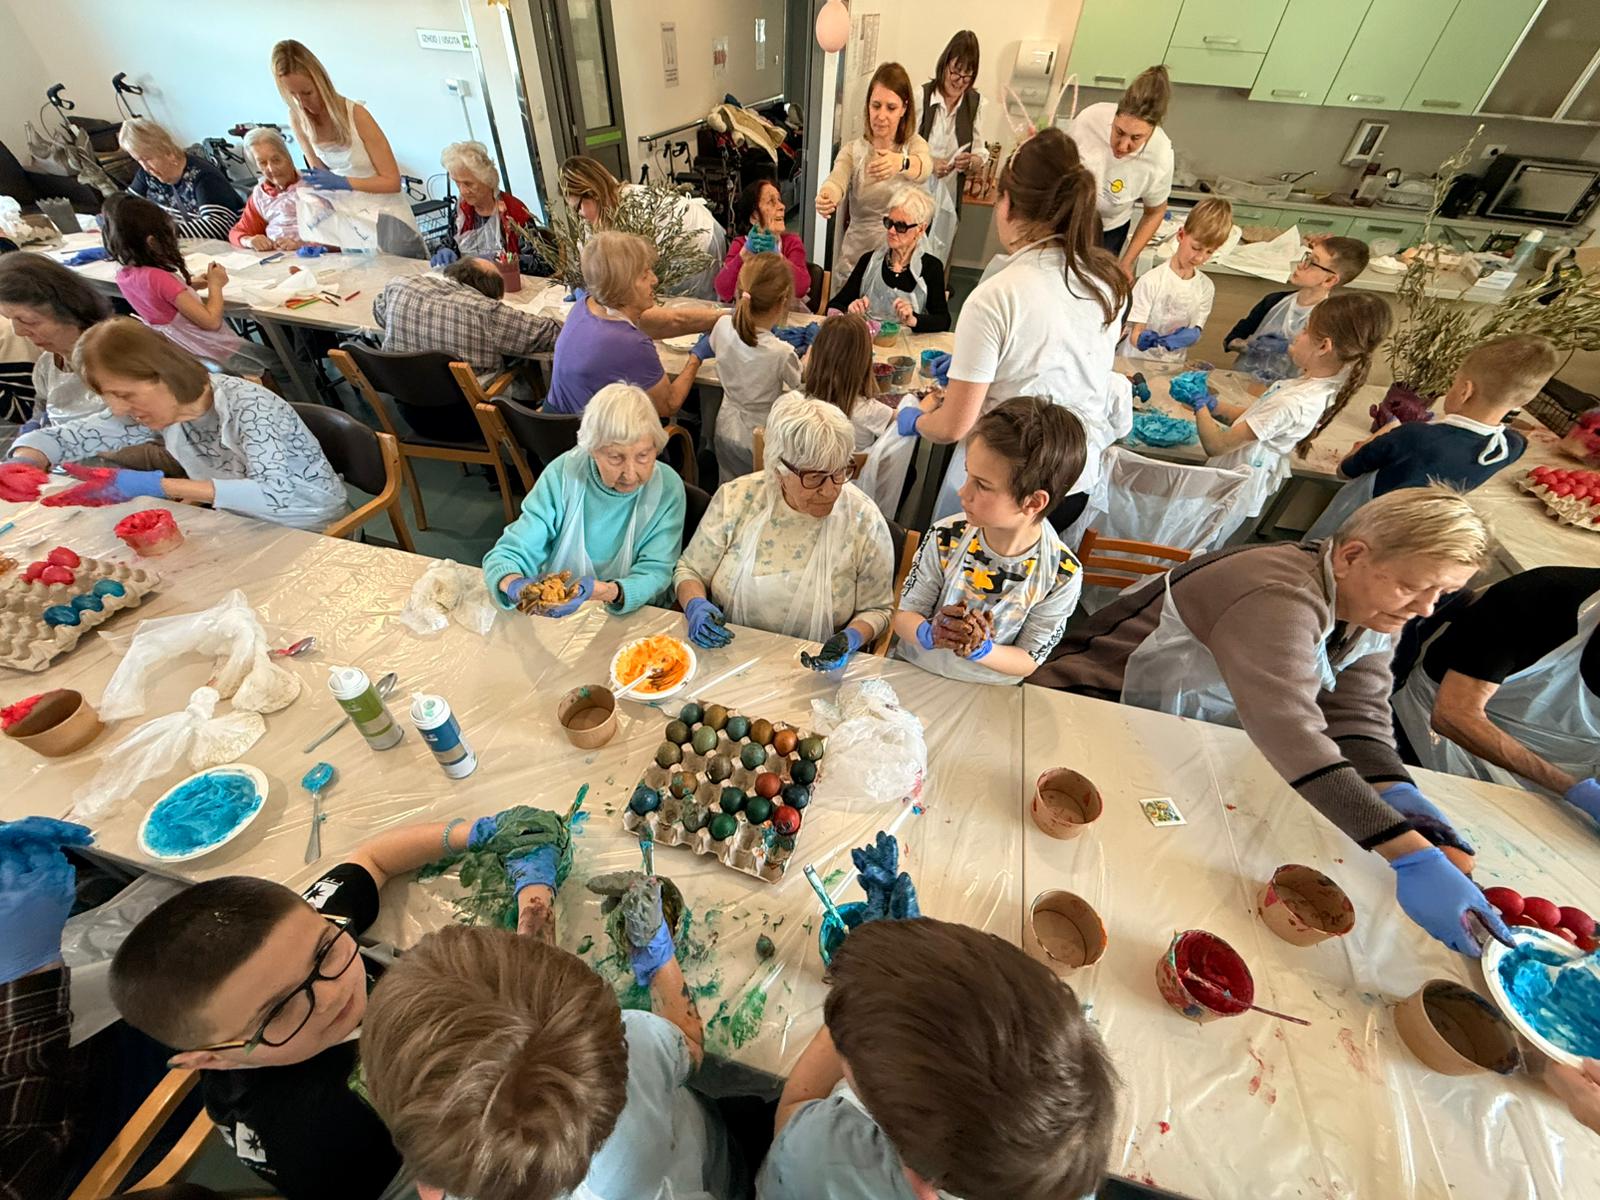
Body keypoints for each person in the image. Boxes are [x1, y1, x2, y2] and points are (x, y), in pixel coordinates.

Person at [1031, 485, 1514, 958]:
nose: (1425, 608)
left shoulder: (1372, 606)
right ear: (1351, 557)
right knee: (1067, 855)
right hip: (1088, 703)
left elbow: (1355, 714)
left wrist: (1397, 790)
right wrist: (1407, 853)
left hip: (1172, 727)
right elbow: (1293, 733)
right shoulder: (1276, 594)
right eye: (1412, 587)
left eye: (1443, 593)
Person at [106, 805, 563, 1200]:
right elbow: (524, 1083)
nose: (331, 995)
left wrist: (478, 833)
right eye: (279, 1009)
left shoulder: (283, 944)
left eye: (325, 951)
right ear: (213, 1059)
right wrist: (536, 941)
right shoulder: (323, 1126)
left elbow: (373, 858)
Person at [361, 915, 735, 1200]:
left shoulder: (457, 1165)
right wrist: (658, 956)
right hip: (711, 1165)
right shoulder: (637, 1043)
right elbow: (689, 1044)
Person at [756, 917, 1117, 1200]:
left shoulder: (824, 1153)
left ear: (920, 1184)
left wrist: (844, 1021)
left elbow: (792, 1114)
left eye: (851, 1056)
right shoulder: (1064, 1176)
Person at [898, 128, 1129, 527]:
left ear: (1006, 203)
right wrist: (977, 370)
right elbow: (1053, 363)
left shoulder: (997, 295)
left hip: (1005, 490)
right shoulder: (1104, 282)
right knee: (1033, 567)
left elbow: (953, 425)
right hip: (1072, 481)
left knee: (972, 566)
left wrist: (915, 422)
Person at [5, 318, 347, 532]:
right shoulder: (162, 410)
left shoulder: (250, 408)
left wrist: (157, 486)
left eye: (124, 394)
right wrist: (26, 460)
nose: (118, 408)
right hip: (243, 520)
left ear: (164, 376)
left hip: (312, 523)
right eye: (109, 396)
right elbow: (68, 438)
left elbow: (276, 495)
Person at [675, 393, 894, 670]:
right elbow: (690, 570)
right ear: (779, 470)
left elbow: (877, 609)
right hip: (727, 654)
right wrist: (695, 604)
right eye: (814, 477)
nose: (831, 491)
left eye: (839, 472)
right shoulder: (737, 499)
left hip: (813, 668)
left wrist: (850, 638)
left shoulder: (863, 520)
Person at [893, 398, 1085, 685]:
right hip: (918, 670)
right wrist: (929, 632)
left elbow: (1028, 659)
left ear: (1033, 502)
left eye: (982, 485)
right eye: (968, 474)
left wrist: (981, 650)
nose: (963, 492)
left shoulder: (1061, 574)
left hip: (990, 688)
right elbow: (903, 616)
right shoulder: (946, 537)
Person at [1392, 565, 1600, 828]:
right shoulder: (1541, 595)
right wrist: (1574, 789)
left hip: (1558, 785)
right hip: (1438, 747)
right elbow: (1454, 715)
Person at [1188, 292, 1391, 542]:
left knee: (1203, 542)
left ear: (1324, 346)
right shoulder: (1312, 385)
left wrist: (1199, 405)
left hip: (1235, 487)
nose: (1296, 336)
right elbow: (1256, 419)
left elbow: (1216, 445)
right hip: (1239, 474)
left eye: (1305, 330)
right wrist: (1215, 406)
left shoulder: (1293, 402)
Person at [483, 383, 687, 618]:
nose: (630, 474)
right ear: (591, 449)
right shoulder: (564, 475)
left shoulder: (667, 488)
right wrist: (515, 584)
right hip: (557, 616)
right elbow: (509, 554)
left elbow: (656, 573)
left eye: (643, 456)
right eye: (615, 457)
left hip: (631, 613)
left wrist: (607, 592)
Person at [1317, 333, 1552, 535]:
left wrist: (1364, 446)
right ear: (1522, 402)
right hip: (1414, 534)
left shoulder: (1413, 436)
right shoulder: (1513, 446)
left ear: (1465, 391)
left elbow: (1345, 470)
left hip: (1362, 524)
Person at [100, 192, 280, 378]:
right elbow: (211, 321)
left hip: (186, 352)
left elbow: (161, 301)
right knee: (277, 365)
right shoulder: (159, 277)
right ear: (152, 242)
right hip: (215, 350)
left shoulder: (125, 275)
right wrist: (215, 285)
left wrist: (189, 286)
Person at [545, 232, 714, 417]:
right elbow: (669, 405)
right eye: (644, 275)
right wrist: (695, 359)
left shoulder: (586, 304)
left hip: (553, 421)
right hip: (584, 433)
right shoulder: (631, 344)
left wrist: (723, 316)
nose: (655, 280)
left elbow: (668, 321)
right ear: (623, 286)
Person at [371, 256, 559, 400]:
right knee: (530, 370)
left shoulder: (400, 285)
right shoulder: (485, 310)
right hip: (470, 416)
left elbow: (379, 314)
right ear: (490, 294)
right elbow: (550, 335)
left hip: (408, 404)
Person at [815, 63, 934, 282]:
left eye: (891, 108)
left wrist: (901, 162)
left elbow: (925, 166)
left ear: (904, 109)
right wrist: (827, 195)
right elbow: (837, 178)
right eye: (876, 105)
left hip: (901, 254)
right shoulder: (853, 151)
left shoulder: (913, 145)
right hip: (859, 252)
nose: (881, 115)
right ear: (868, 105)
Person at [558, 155, 726, 300]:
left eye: (577, 207)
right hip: (678, 240)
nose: (579, 214)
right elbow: (590, 251)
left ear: (593, 193)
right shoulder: (604, 210)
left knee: (690, 308)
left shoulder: (633, 208)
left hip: (699, 238)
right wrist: (581, 283)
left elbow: (637, 270)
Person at [1065, 66, 1174, 275]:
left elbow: (1155, 212)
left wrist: (1127, 263)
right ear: (1114, 117)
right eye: (1119, 132)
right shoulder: (1090, 118)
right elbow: (1059, 165)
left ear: (1152, 130)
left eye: (1136, 138)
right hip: (1067, 220)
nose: (1123, 146)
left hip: (1108, 233)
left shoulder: (1161, 156)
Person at [707, 252, 803, 479]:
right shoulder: (781, 352)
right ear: (783, 302)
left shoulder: (722, 326)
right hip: (760, 435)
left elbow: (721, 348)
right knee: (760, 488)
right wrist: (809, 357)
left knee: (729, 484)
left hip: (725, 426)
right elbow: (800, 383)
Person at [1225, 236, 1370, 382]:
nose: (1301, 265)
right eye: (1307, 257)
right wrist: (1248, 346)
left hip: (1288, 391)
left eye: (1312, 263)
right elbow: (1231, 339)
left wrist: (1286, 349)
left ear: (1329, 280)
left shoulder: (1331, 321)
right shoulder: (1274, 301)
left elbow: (1323, 368)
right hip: (1243, 383)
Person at [270, 40, 401, 194]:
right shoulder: (297, 118)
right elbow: (319, 177)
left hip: (380, 201)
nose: (302, 103)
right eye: (293, 95)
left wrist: (346, 182)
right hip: (340, 200)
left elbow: (392, 183)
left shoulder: (357, 115)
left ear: (321, 83)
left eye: (307, 93)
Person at [0, 254, 110, 427]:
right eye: (9, 319)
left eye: (28, 321)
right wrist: (34, 430)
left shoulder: (119, 358)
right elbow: (40, 413)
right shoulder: (47, 364)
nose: (18, 332)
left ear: (69, 310)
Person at [1120, 197, 1232, 363]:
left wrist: (1192, 336)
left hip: (1173, 363)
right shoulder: (1151, 281)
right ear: (1181, 235)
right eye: (1196, 248)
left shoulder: (1205, 287)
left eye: (1209, 252)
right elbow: (1134, 336)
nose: (1200, 257)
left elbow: (1196, 328)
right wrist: (1149, 341)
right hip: (1136, 360)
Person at [828, 186, 950, 334]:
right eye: (889, 223)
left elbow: (943, 321)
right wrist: (849, 311)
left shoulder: (931, 267)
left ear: (920, 229)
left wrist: (914, 320)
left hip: (908, 346)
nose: (891, 231)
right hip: (868, 342)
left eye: (900, 226)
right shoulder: (868, 261)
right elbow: (835, 305)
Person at [918, 30, 990, 262]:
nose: (959, 81)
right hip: (915, 195)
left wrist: (972, 161)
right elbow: (904, 149)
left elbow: (980, 152)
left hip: (948, 198)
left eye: (967, 76)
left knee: (936, 259)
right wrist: (929, 164)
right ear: (944, 65)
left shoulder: (975, 104)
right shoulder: (923, 96)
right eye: (955, 72)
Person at [118, 118, 244, 243]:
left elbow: (218, 228)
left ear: (167, 151)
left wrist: (160, 233)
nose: (145, 167)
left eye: (148, 159)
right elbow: (124, 209)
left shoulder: (204, 176)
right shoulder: (147, 176)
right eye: (139, 160)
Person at [431, 140, 542, 271]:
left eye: (468, 184)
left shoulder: (514, 212)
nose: (463, 191)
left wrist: (500, 261)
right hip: (470, 279)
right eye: (457, 183)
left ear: (487, 180)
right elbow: (449, 243)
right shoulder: (462, 211)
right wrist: (444, 251)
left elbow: (540, 264)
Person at [795, 313, 894, 453]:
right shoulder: (870, 411)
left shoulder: (800, 401)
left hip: (816, 466)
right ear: (864, 361)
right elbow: (910, 420)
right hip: (853, 468)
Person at [715, 177, 809, 302]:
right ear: (754, 216)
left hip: (783, 310)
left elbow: (801, 289)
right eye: (771, 202)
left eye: (779, 200)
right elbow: (723, 291)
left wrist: (777, 257)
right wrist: (744, 255)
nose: (782, 206)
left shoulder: (791, 242)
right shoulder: (741, 244)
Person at [228, 126, 308, 252]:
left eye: (276, 160)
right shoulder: (261, 195)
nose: (271, 169)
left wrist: (303, 245)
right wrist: (249, 241)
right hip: (280, 259)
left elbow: (337, 236)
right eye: (263, 163)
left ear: (288, 156)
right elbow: (237, 232)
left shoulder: (313, 185)